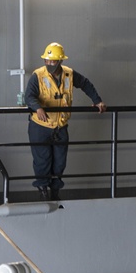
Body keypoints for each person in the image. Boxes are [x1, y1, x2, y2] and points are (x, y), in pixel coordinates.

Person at [24, 42, 106, 201]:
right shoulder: (38, 76)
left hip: (60, 126)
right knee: (42, 160)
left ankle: (55, 190)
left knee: (60, 161)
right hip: (40, 127)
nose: (49, 64)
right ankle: (42, 189)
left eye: (52, 61)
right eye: (46, 61)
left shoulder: (69, 74)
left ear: (60, 61)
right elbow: (29, 96)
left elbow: (85, 84)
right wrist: (37, 108)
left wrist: (97, 101)